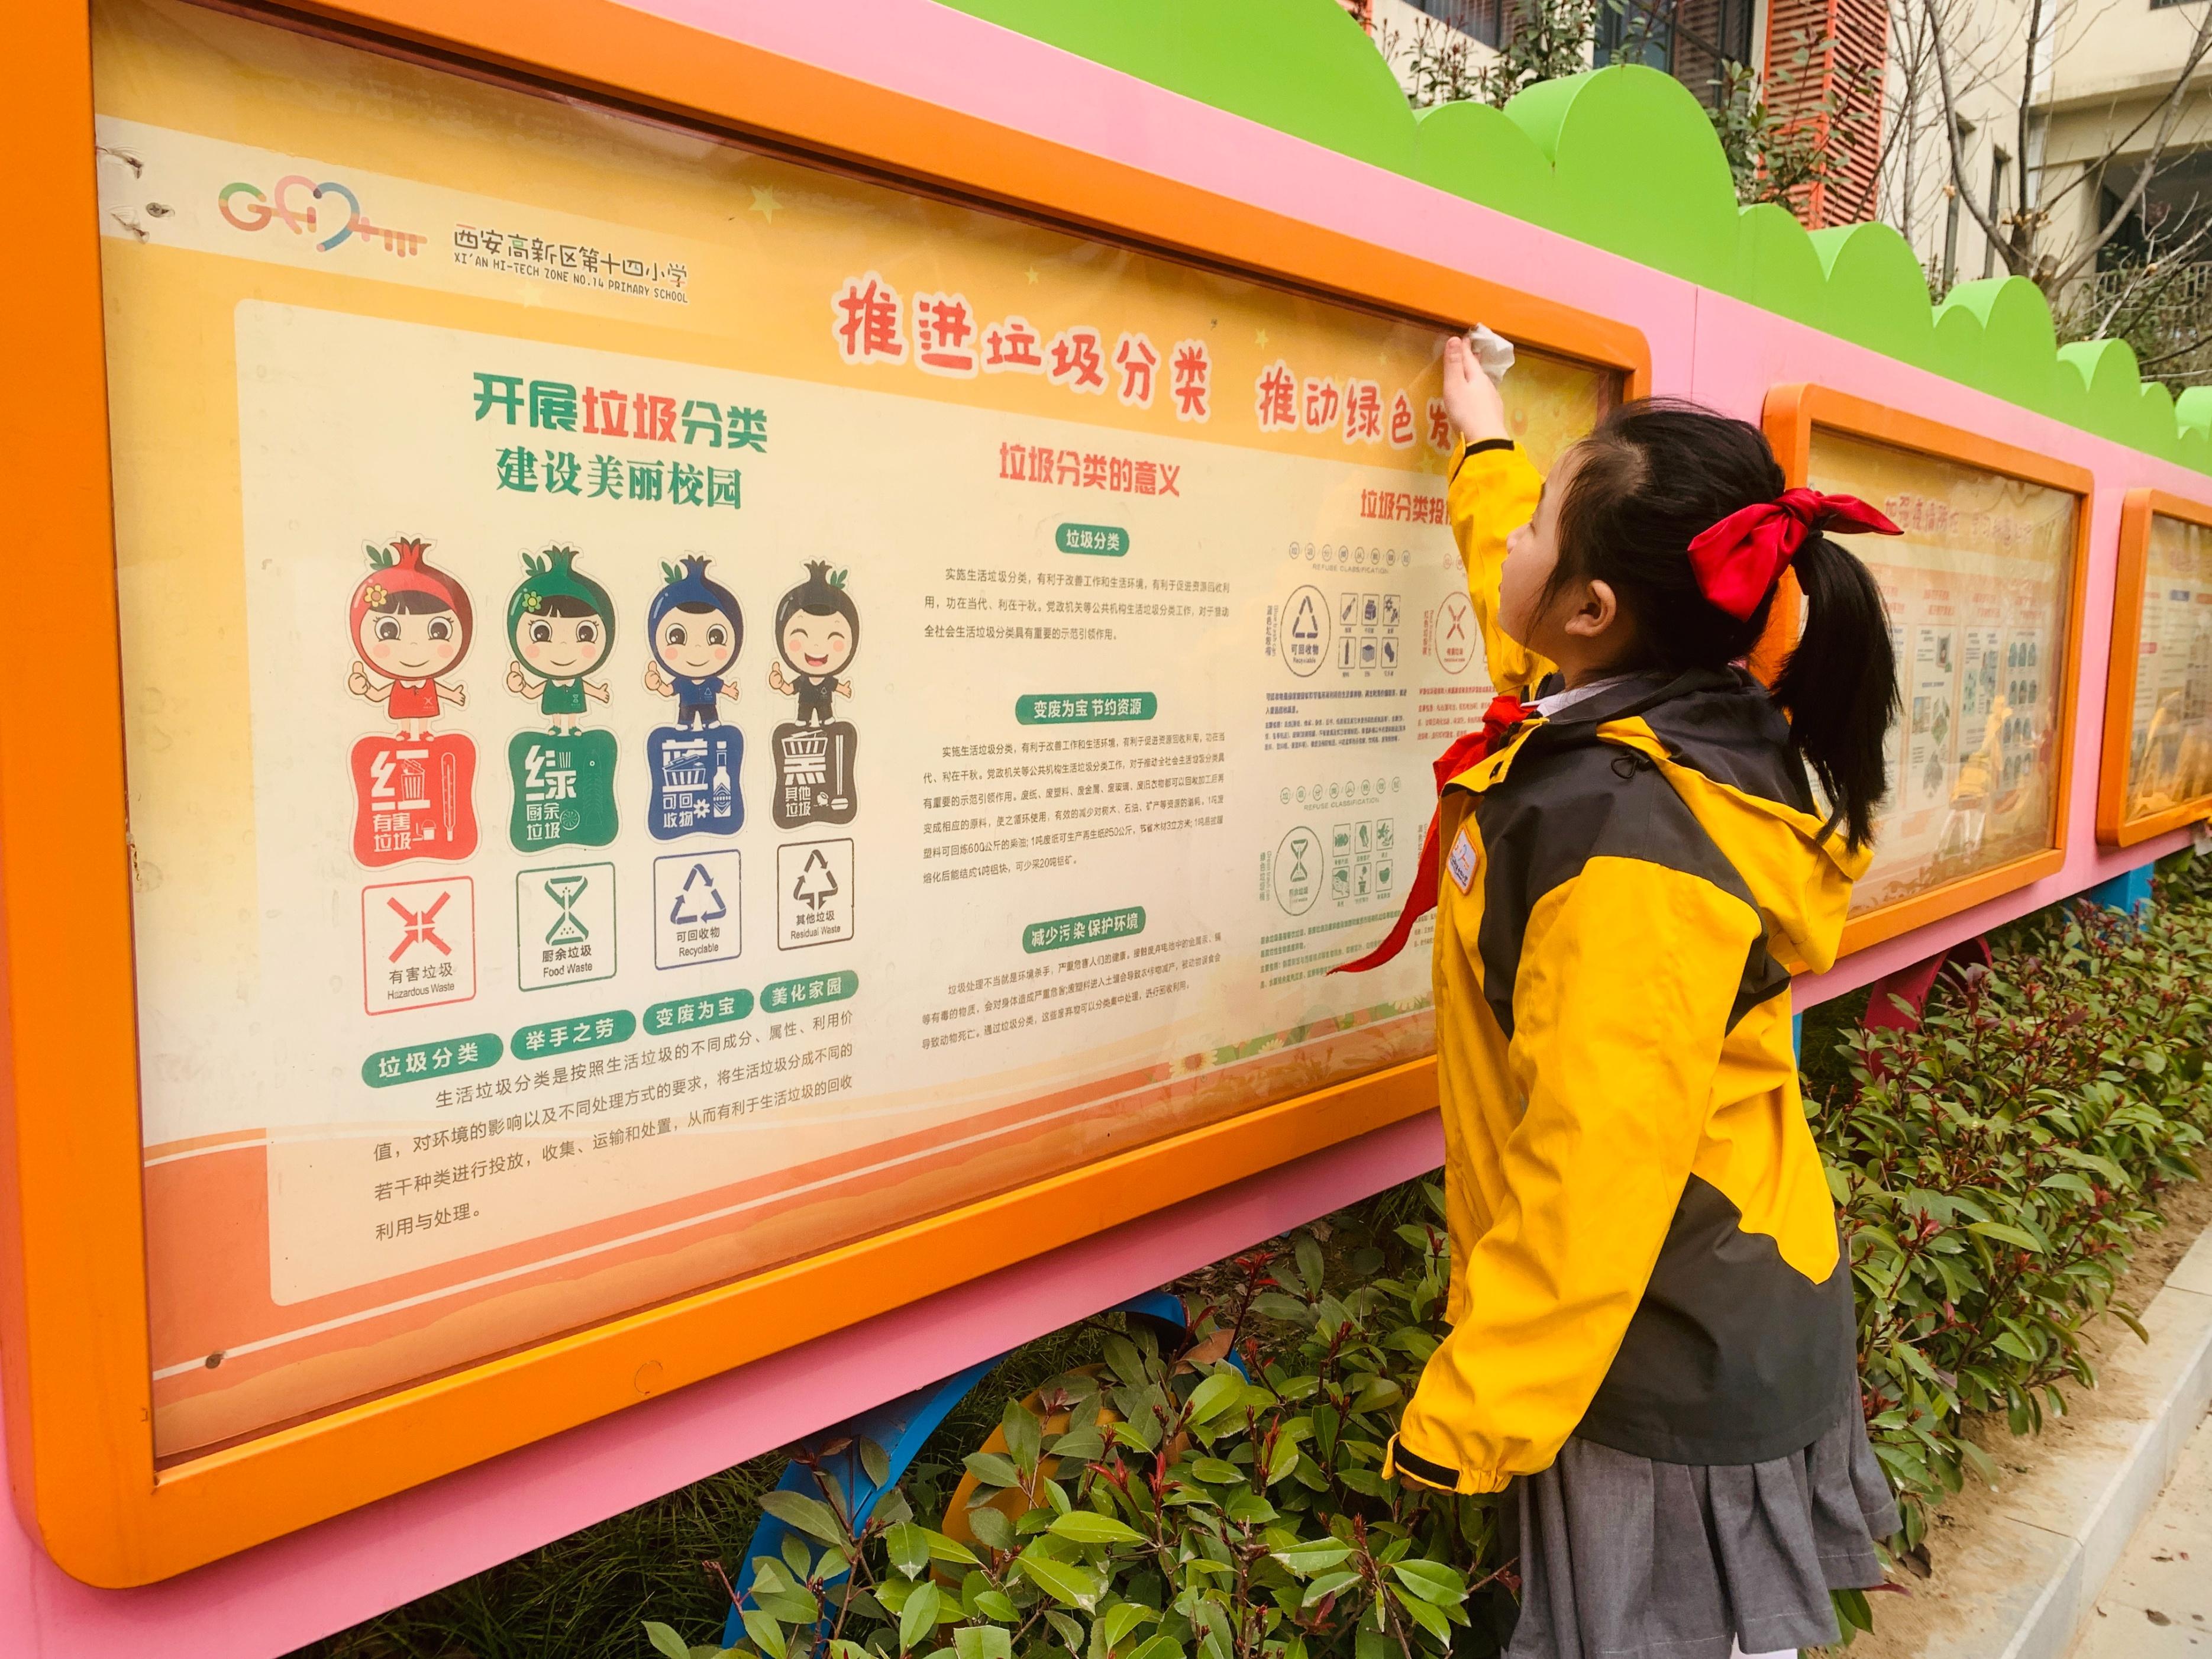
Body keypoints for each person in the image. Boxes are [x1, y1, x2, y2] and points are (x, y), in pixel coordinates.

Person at [1343, 334, 1904, 1659]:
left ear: (1594, 606)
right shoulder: (1660, 707)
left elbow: (1595, 1159)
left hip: (1668, 1352)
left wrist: (1471, 1412)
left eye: (1540, 519)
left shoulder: (1631, 846)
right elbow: (1522, 604)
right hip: (1709, 1287)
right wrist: (1483, 440)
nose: (1516, 539)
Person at [347, 537, 472, 738]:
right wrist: (364, 688)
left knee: (423, 716)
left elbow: (440, 690)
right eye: (388, 631)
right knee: (404, 715)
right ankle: (405, 731)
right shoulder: (398, 683)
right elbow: (378, 695)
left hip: (426, 706)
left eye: (439, 631)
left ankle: (424, 731)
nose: (414, 645)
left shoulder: (428, 682)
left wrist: (454, 695)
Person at [504, 546, 614, 734]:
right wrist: (520, 686)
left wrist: (599, 693)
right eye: (541, 634)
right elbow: (532, 692)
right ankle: (556, 726)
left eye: (585, 634)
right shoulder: (550, 683)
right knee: (555, 710)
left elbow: (588, 688)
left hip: (574, 702)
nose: (563, 646)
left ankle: (572, 727)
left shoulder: (576, 682)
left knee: (572, 711)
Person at [644, 556, 743, 728]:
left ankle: (710, 723)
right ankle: (685, 725)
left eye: (716, 637)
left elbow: (722, 687)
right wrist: (657, 685)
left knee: (711, 720)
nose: (697, 648)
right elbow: (668, 691)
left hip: (709, 707)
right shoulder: (681, 681)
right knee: (685, 722)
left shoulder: (711, 681)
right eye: (676, 637)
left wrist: (730, 691)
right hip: (686, 709)